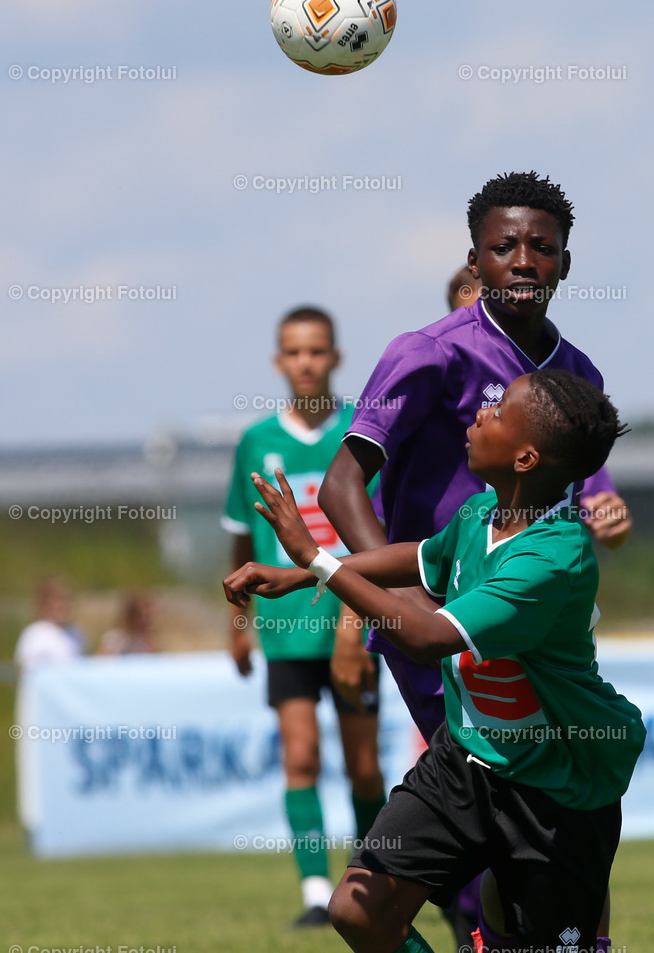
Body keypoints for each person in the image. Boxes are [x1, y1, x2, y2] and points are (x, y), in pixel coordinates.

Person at [223, 367, 646, 953]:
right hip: (467, 762)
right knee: (360, 908)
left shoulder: (552, 560)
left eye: (497, 414)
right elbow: (416, 560)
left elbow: (422, 635)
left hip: (555, 789)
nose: (478, 415)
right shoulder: (479, 515)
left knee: (537, 941)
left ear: (525, 459)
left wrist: (317, 559)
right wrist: (298, 574)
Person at [319, 171, 627, 945]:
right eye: (503, 247)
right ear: (476, 259)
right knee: (491, 806)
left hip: (520, 623)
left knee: (548, 806)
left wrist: (605, 503)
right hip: (435, 622)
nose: (522, 260)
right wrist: (388, 599)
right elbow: (342, 483)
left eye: (540, 247)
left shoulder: (575, 375)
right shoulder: (425, 355)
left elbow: (580, 489)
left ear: (563, 262)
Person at [221, 306, 386, 928]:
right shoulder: (256, 442)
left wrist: (357, 624)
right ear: (278, 361)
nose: (306, 362)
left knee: (365, 765)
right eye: (294, 352)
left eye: (317, 351)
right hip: (286, 631)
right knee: (301, 758)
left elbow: (378, 540)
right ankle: (316, 891)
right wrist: (237, 625)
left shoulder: (360, 432)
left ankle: (367, 880)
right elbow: (242, 540)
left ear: (336, 357)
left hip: (357, 626)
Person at [447, 263, 633, 551]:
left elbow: (606, 520)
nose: (488, 334)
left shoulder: (550, 421)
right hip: (441, 591)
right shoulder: (429, 407)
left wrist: (612, 522)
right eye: (477, 322)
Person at [14, 577, 84, 671]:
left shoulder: (75, 633)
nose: (62, 605)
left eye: (66, 599)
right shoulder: (34, 634)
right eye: (57, 600)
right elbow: (26, 670)